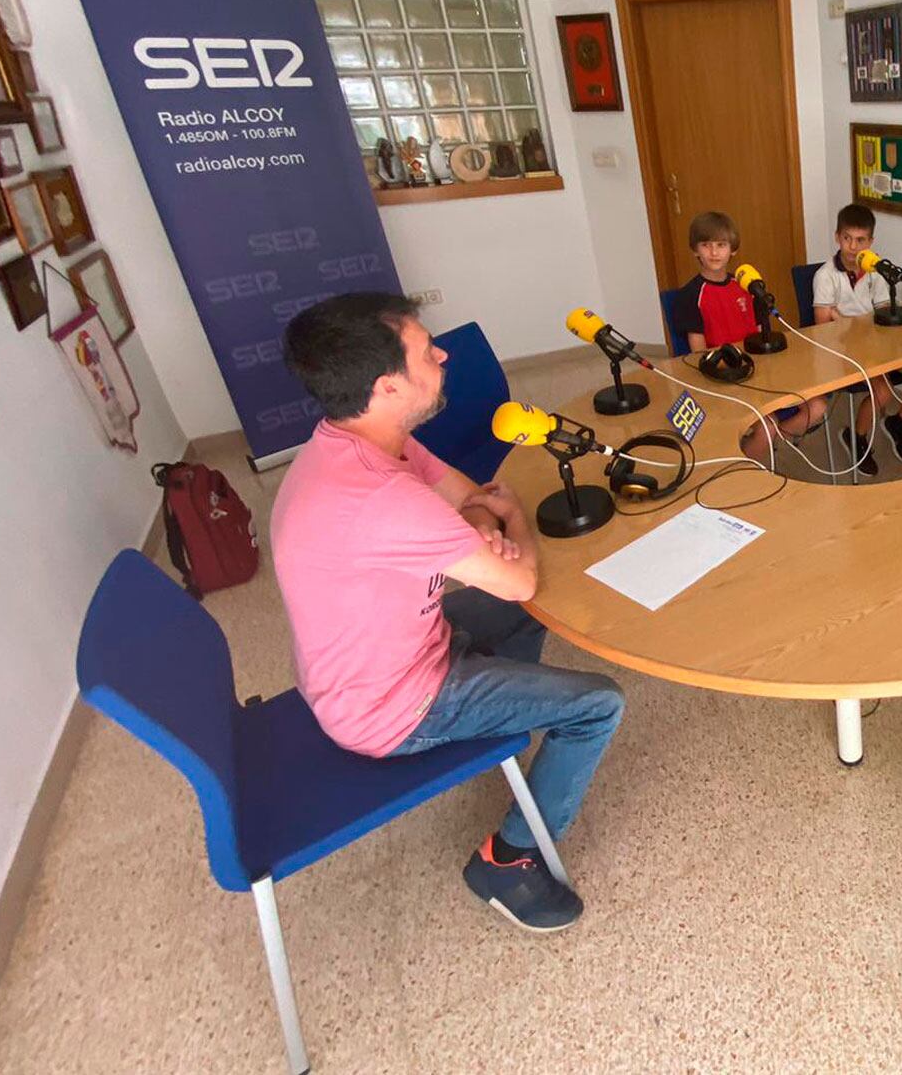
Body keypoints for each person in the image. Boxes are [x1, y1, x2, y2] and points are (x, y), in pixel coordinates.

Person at [272, 292, 624, 933]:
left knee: (528, 607)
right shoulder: (382, 497)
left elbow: (471, 495)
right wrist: (509, 523)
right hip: (390, 707)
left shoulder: (361, 441)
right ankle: (510, 859)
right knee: (598, 703)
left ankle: (495, 733)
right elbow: (514, 565)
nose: (443, 353)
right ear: (386, 386)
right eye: (425, 350)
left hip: (395, 651)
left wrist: (478, 524)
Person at [672, 209, 826, 464]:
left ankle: (759, 448)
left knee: (817, 407)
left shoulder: (746, 286)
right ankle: (746, 468)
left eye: (721, 245)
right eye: (706, 245)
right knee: (767, 426)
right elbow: (697, 355)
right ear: (695, 250)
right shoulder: (690, 295)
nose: (713, 252)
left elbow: (759, 335)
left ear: (732, 249)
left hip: (761, 372)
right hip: (724, 379)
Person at [811, 202, 902, 475]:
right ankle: (855, 437)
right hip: (845, 350)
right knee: (881, 390)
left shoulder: (878, 270)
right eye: (847, 239)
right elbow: (823, 326)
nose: (853, 247)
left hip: (880, 345)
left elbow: (883, 314)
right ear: (837, 237)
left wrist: (842, 318)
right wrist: (845, 322)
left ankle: (898, 423)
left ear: (871, 241)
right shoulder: (825, 276)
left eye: (860, 240)